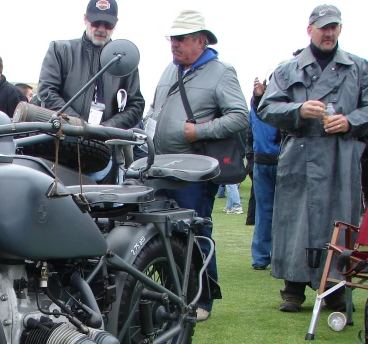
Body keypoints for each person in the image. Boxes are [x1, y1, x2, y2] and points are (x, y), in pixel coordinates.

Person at [258, 4, 368, 313]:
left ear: (340, 29)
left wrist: (351, 121)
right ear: (310, 30)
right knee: (294, 220)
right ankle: (292, 287)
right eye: (324, 27)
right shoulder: (286, 68)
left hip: (341, 157)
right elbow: (266, 108)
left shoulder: (360, 67)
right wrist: (298, 110)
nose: (329, 32)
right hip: (299, 155)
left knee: (339, 220)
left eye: (335, 26)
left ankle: (334, 287)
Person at [147, 10, 248, 321]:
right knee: (163, 235)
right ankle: (174, 294)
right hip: (161, 166)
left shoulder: (221, 72)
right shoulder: (170, 69)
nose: (174, 44)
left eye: (181, 38)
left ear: (201, 41)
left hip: (193, 170)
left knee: (195, 232)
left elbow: (239, 116)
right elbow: (155, 110)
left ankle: (202, 300)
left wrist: (200, 131)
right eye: (172, 38)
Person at [35, 0, 144, 179]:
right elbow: (47, 92)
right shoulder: (61, 50)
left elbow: (136, 105)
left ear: (115, 25)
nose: (101, 28)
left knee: (105, 205)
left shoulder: (125, 61)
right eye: (96, 22)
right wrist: (79, 126)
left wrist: (105, 129)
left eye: (108, 24)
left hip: (105, 151)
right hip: (62, 148)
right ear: (85, 20)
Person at [249, 74, 281, 270]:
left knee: (264, 212)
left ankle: (261, 257)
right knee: (280, 213)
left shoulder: (257, 105)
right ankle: (273, 257)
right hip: (275, 160)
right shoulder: (278, 106)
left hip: (261, 160)